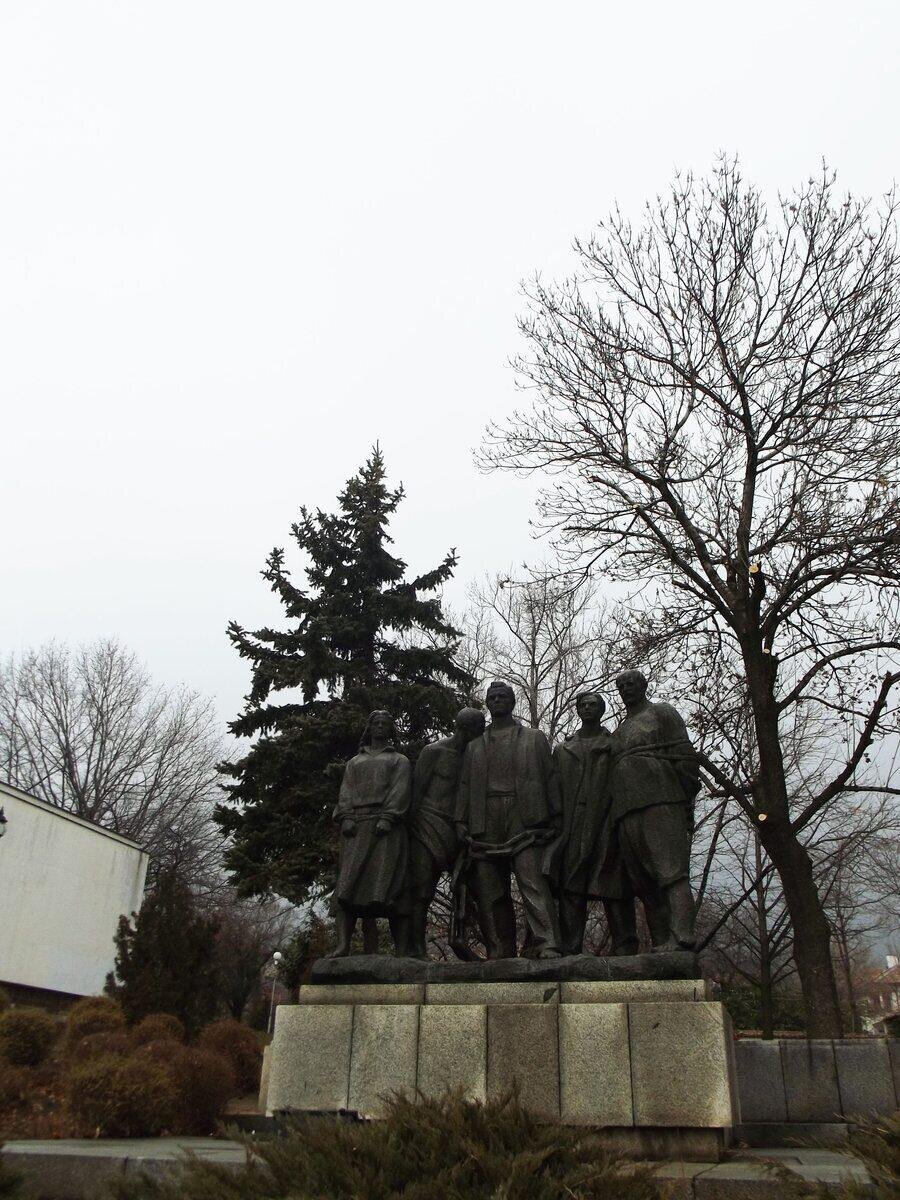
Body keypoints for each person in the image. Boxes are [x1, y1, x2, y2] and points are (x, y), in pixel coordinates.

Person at [455, 681, 562, 959]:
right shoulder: (474, 746)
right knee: (491, 889)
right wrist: (460, 820)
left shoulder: (534, 738)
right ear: (487, 704)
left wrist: (556, 814)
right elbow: (465, 785)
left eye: (502, 696)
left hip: (524, 816)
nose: (497, 700)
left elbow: (550, 777)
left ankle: (548, 942)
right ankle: (500, 949)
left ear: (512, 701)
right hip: (485, 817)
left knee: (532, 881)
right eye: (492, 698)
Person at [604, 670, 700, 952]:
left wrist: (685, 801)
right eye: (621, 686)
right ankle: (661, 942)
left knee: (671, 873)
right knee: (644, 883)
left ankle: (682, 935)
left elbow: (685, 757)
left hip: (661, 801)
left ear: (643, 685)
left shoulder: (661, 712)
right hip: (626, 810)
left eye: (631, 683)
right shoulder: (620, 729)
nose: (626, 689)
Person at [404, 706, 486, 959]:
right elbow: (416, 793)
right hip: (427, 825)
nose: (478, 737)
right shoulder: (434, 752)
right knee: (421, 890)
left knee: (470, 889)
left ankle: (463, 941)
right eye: (476, 731)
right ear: (464, 729)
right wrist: (408, 831)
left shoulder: (474, 758)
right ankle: (414, 950)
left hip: (459, 831)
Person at [330, 710, 411, 957]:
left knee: (391, 887)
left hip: (386, 829)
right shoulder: (354, 762)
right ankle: (342, 945)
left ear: (391, 729)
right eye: (376, 723)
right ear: (370, 727)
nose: (380, 727)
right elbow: (345, 791)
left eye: (385, 723)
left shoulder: (399, 760)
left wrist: (388, 817)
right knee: (346, 886)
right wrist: (346, 816)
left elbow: (400, 790)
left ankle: (403, 950)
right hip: (356, 828)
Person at [549, 691, 614, 955]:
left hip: (606, 821)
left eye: (593, 705)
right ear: (577, 710)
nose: (587, 708)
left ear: (602, 710)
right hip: (572, 823)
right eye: (583, 705)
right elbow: (552, 787)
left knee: (612, 882)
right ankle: (570, 947)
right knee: (571, 885)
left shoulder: (613, 745)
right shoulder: (563, 749)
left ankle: (625, 944)